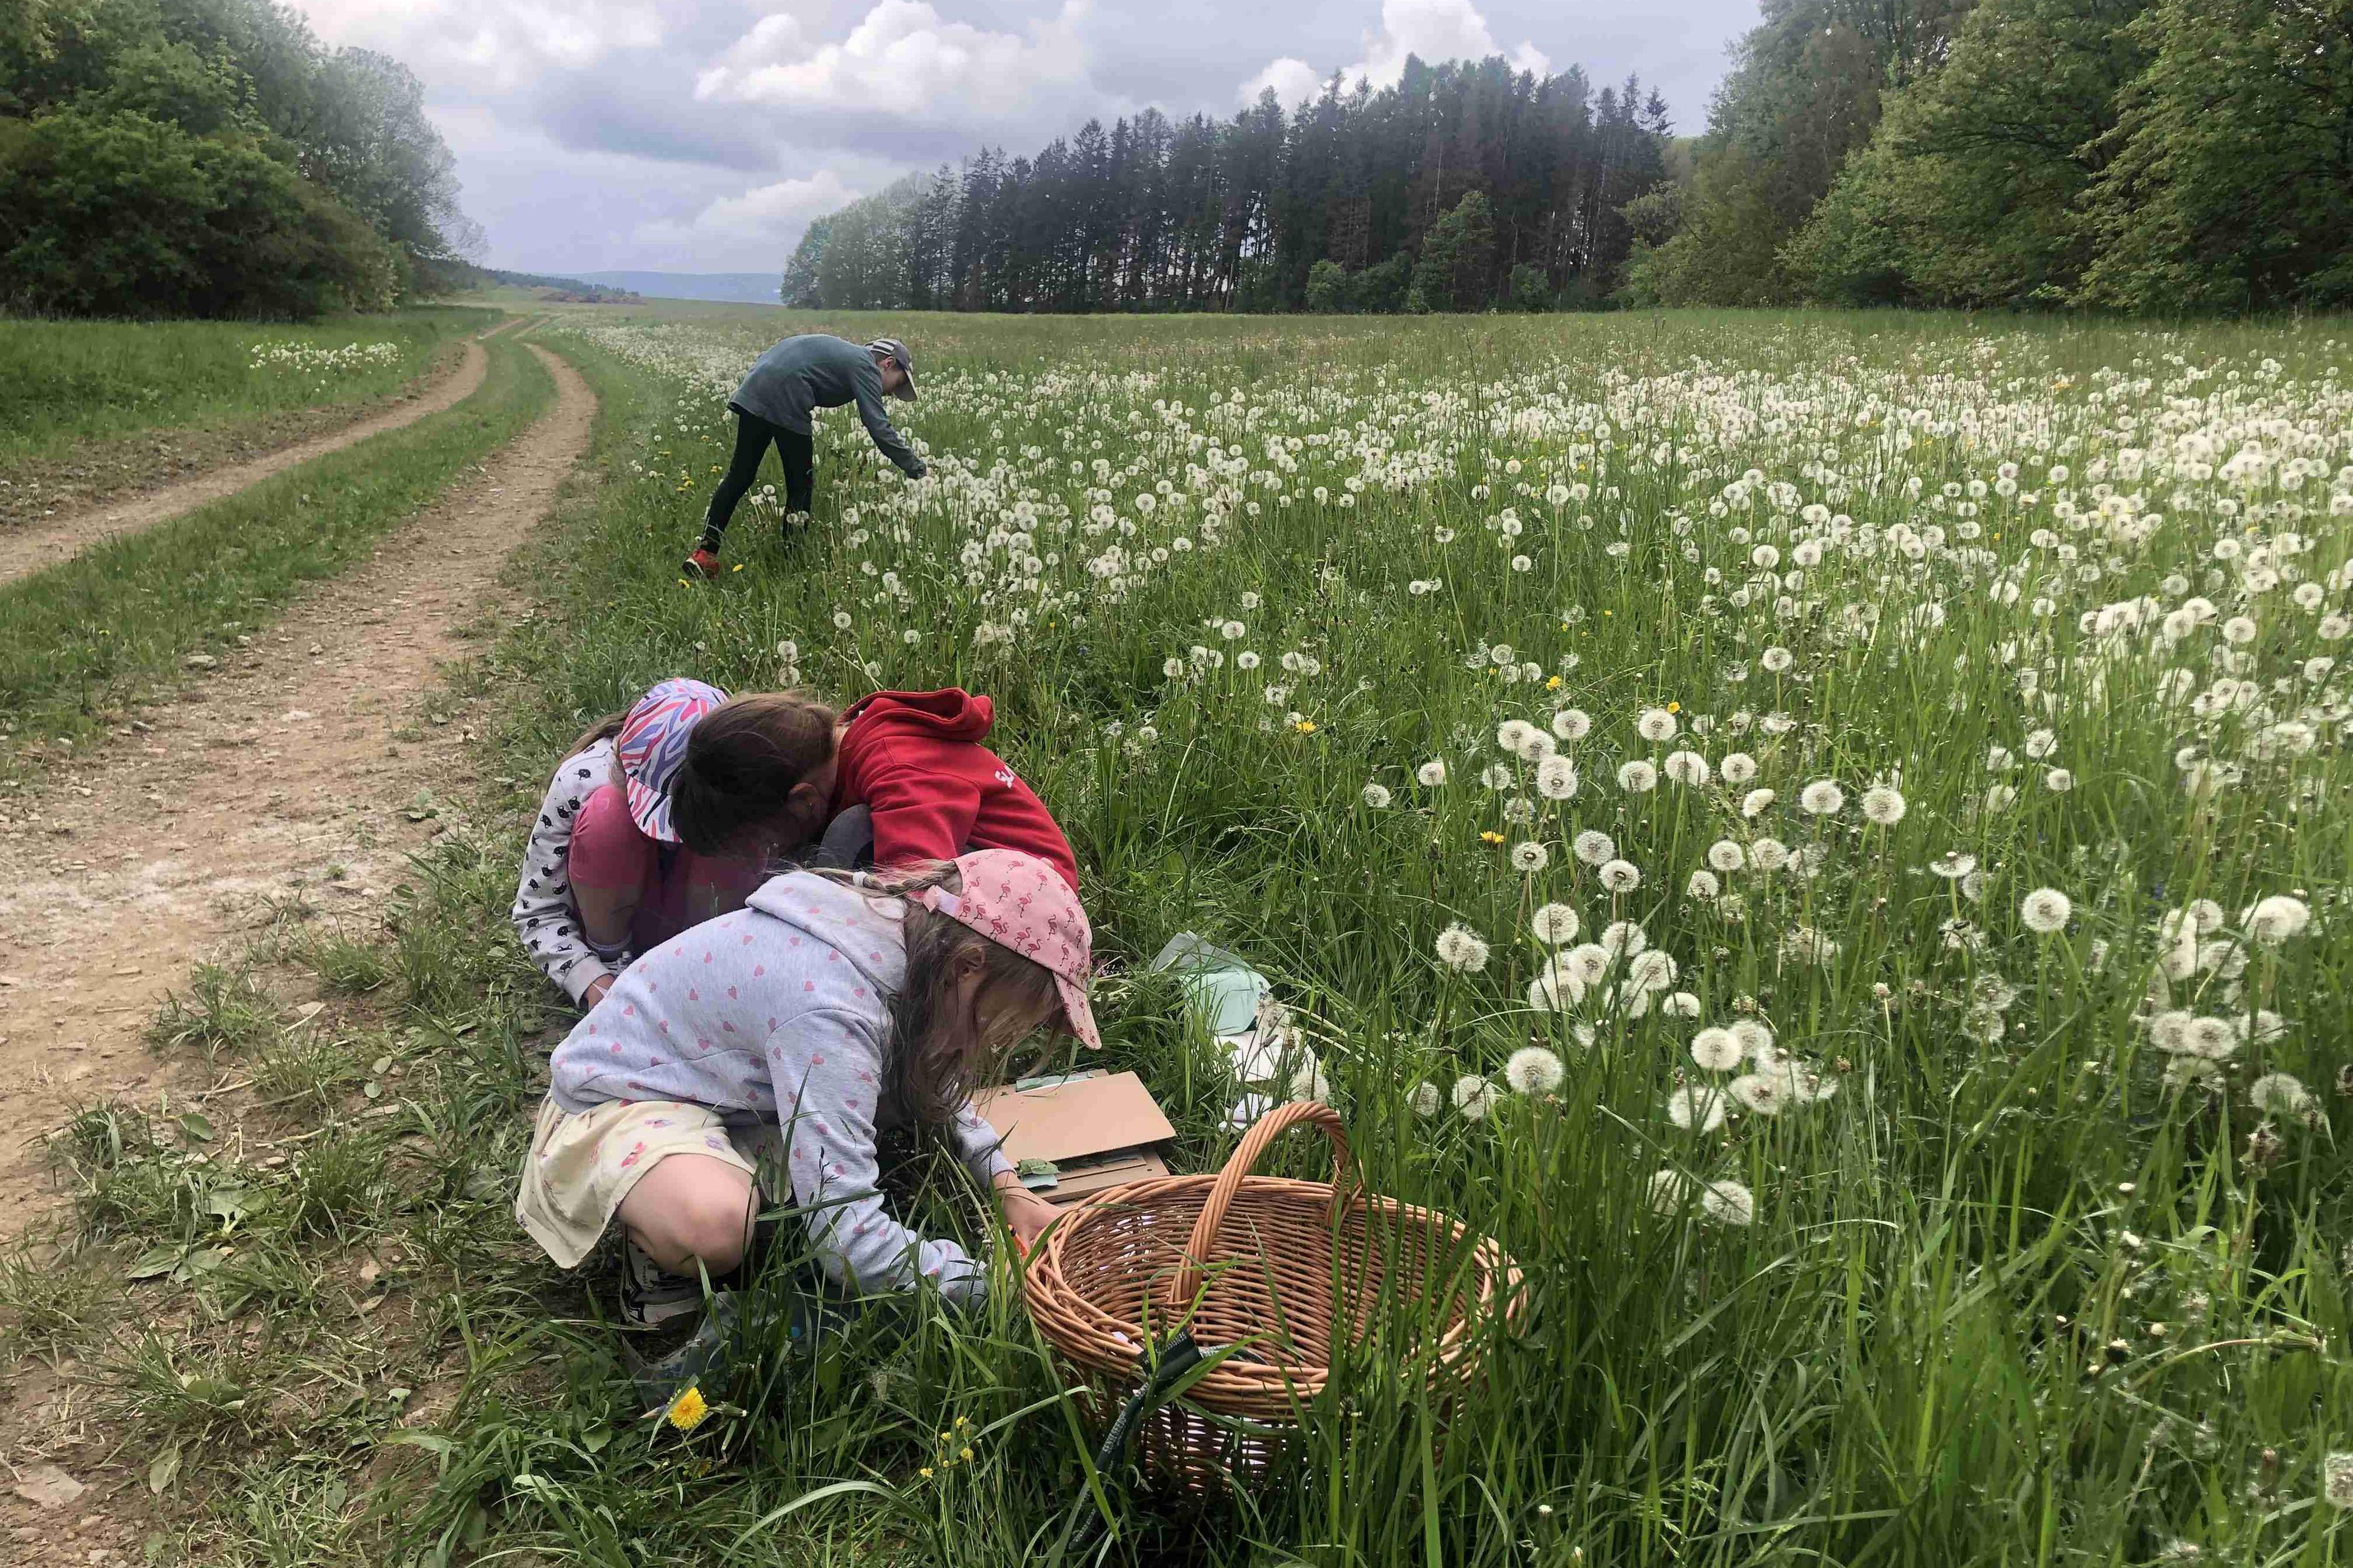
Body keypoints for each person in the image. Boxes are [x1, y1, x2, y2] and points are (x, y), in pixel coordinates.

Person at [514, 849, 1100, 1333]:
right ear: (970, 965)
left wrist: (1005, 1184)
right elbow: (847, 1238)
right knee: (715, 1223)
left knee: (875, 1114)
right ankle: (657, 1270)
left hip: (725, 1090)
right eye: (999, 1023)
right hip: (617, 1099)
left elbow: (934, 1074)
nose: (993, 1045)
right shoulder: (829, 1004)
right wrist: (994, 1286)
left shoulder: (910, 938)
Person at [511, 680, 839, 1008]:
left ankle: (702, 967)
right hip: (617, 941)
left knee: (729, 844)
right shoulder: (581, 781)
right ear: (620, 761)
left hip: (705, 940)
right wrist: (594, 983)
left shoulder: (743, 796)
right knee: (606, 817)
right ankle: (614, 958)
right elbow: (538, 910)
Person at [672, 687, 1081, 893]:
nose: (765, 856)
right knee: (804, 871)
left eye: (763, 844)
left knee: (848, 839)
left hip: (1040, 909)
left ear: (803, 800)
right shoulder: (843, 756)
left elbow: (917, 887)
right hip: (979, 876)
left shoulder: (894, 768)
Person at [684, 335, 928, 579]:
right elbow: (877, 425)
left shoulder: (846, 354)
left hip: (755, 387)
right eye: (898, 384)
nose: (892, 393)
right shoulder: (865, 365)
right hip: (788, 396)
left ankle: (704, 554)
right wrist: (916, 468)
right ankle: (792, 564)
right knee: (801, 486)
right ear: (887, 363)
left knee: (740, 475)